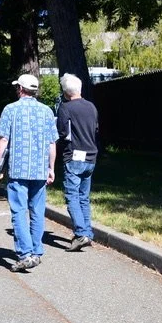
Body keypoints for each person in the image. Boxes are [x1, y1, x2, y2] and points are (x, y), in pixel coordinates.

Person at [0, 74, 58, 272]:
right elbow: (52, 143)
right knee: (37, 212)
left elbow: (3, 140)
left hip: (18, 169)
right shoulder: (47, 111)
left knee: (19, 211)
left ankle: (25, 254)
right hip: (39, 170)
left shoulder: (10, 109)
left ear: (20, 89)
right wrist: (51, 168)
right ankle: (36, 252)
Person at [56, 73, 99, 251]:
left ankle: (81, 233)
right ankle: (87, 232)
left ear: (66, 92)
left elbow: (62, 132)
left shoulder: (65, 108)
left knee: (72, 196)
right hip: (91, 156)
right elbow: (96, 129)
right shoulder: (91, 107)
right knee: (84, 197)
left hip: (73, 156)